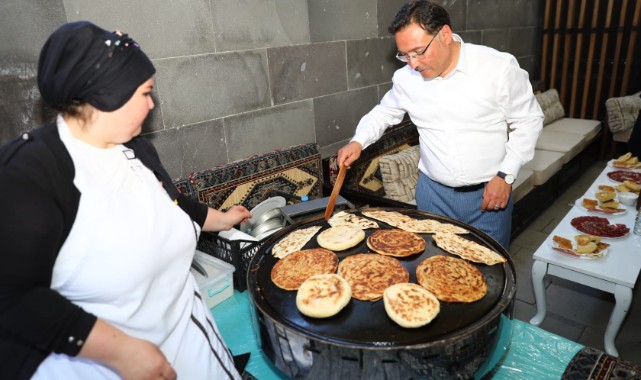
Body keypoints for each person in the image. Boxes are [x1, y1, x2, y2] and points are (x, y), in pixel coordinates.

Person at [0, 21, 252, 380]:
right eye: (145, 93)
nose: (152, 105)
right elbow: (12, 295)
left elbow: (174, 203)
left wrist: (224, 219)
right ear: (108, 94)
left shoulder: (136, 150)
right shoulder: (28, 173)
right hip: (103, 365)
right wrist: (121, 353)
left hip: (188, 339)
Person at [337, 0, 543, 249]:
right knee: (434, 272)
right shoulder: (406, 79)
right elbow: (384, 112)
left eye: (419, 51)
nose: (413, 63)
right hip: (432, 195)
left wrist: (506, 175)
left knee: (488, 277)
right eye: (405, 55)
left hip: (488, 195)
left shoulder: (497, 68)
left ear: (444, 34)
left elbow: (529, 120)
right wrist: (358, 140)